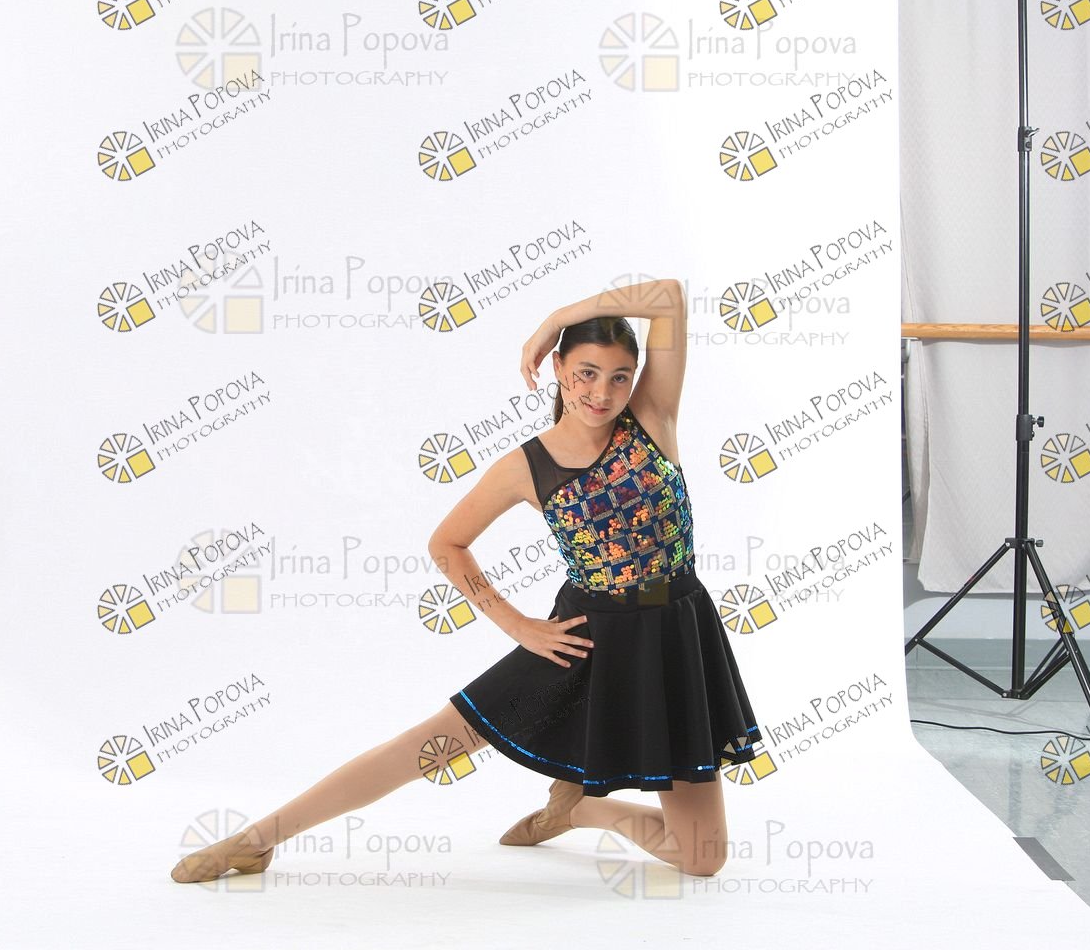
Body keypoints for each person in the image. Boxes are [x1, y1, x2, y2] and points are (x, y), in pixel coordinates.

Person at [170, 278, 763, 884]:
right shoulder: (525, 466)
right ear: (558, 368)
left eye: (618, 377)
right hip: (586, 636)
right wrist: (518, 625)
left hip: (677, 632)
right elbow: (447, 545)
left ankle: (581, 809)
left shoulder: (652, 418)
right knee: (432, 744)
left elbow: (667, 296)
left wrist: (559, 314)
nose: (601, 392)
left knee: (704, 858)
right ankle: (255, 839)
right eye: (586, 373)